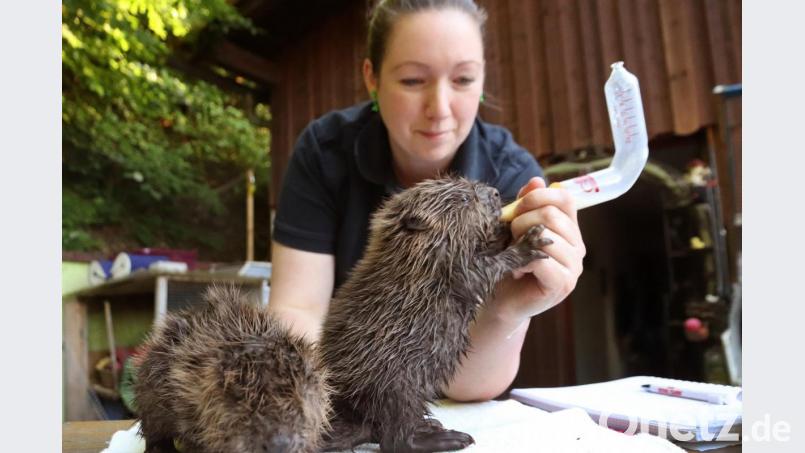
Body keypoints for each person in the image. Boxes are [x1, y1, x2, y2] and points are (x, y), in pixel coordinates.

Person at [269, 0, 585, 402]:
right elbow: (297, 311)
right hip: (330, 384)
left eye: (464, 79)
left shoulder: (511, 178)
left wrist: (506, 311)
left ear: (483, 74)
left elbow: (467, 385)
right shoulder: (325, 152)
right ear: (372, 78)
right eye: (413, 81)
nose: (439, 109)